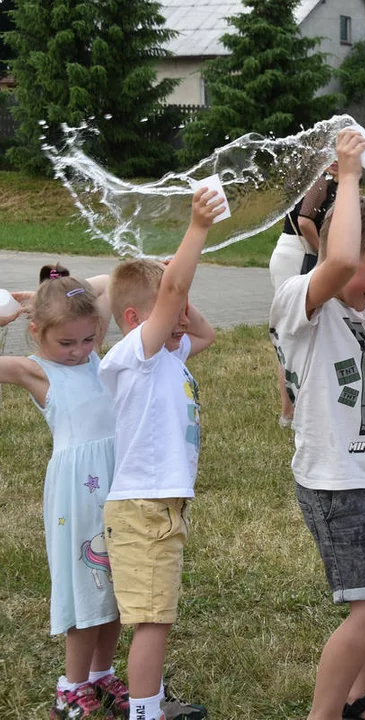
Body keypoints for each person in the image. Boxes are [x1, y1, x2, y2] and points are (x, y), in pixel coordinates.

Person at [269, 129, 365, 720]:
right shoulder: (301, 303)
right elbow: (339, 261)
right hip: (336, 482)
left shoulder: (358, 315)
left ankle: (358, 698)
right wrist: (349, 175)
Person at [98, 188, 224, 720]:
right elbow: (171, 292)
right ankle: (145, 712)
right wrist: (195, 229)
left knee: (158, 615)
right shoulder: (137, 356)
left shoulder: (170, 351)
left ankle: (148, 704)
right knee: (153, 620)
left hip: (161, 506)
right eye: (171, 310)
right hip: (145, 509)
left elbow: (208, 332)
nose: (181, 318)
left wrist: (180, 299)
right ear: (133, 319)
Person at [0, 272, 129, 720]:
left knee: (117, 586)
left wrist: (44, 295)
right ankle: (71, 689)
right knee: (86, 588)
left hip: (119, 486)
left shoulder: (95, 355)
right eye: (66, 343)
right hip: (77, 498)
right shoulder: (35, 370)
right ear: (36, 333)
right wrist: (8, 312)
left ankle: (100, 674)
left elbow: (111, 280)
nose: (78, 351)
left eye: (88, 340)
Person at [269, 166, 339, 428]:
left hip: (300, 255)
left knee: (307, 332)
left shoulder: (338, 183)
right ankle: (289, 413)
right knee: (291, 334)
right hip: (295, 256)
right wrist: (326, 255)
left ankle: (303, 407)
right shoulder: (320, 181)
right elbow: (305, 220)